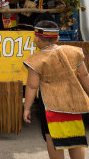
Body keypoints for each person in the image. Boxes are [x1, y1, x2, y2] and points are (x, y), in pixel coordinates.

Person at [23, 20, 89, 159]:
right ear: (58, 38)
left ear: (36, 38)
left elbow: (32, 86)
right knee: (76, 139)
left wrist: (27, 108)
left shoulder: (35, 60)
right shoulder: (74, 51)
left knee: (53, 139)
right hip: (74, 102)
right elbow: (84, 75)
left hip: (50, 106)